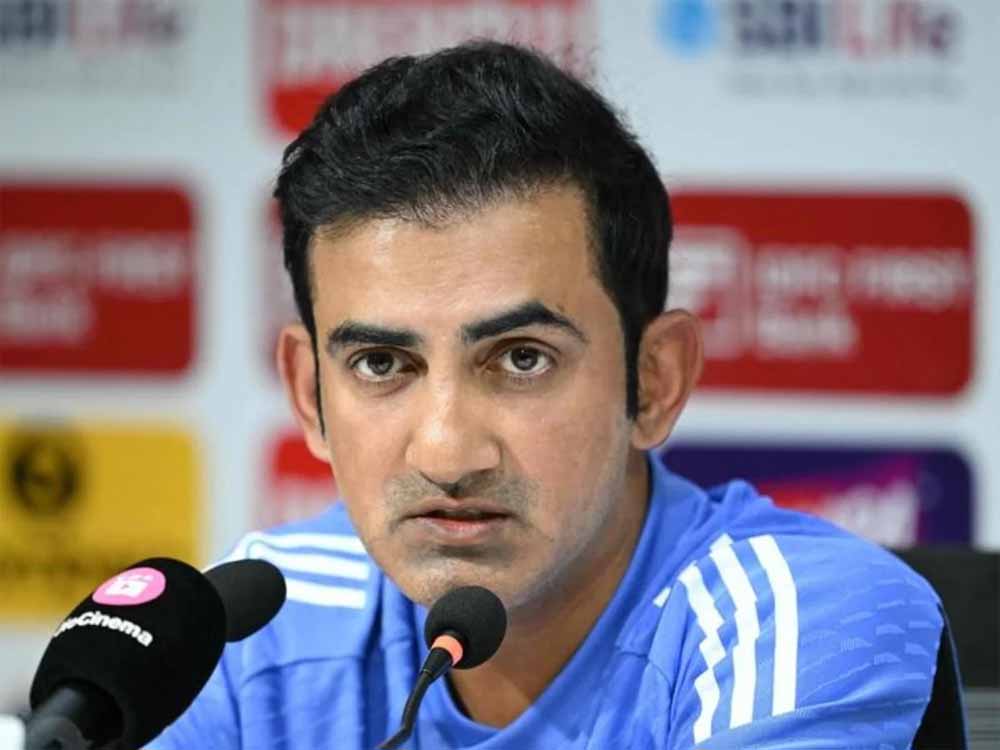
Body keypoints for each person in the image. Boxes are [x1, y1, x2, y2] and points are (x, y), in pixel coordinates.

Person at [149, 41, 948, 749]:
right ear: (309, 394)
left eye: (522, 358)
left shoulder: (800, 620)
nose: (447, 453)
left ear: (654, 380)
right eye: (382, 364)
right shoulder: (261, 628)